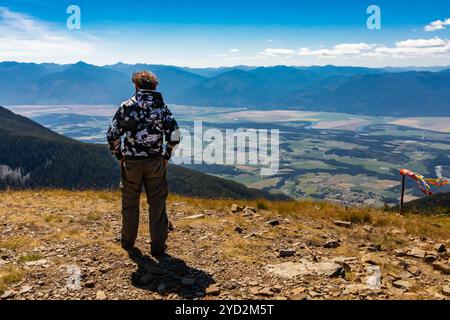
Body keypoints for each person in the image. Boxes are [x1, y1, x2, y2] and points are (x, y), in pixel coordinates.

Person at [107, 71, 180, 257]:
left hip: (131, 162)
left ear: (136, 86)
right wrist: (166, 155)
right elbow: (175, 134)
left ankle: (128, 242)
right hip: (155, 161)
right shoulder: (161, 108)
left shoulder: (126, 107)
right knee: (157, 204)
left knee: (130, 203)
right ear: (155, 86)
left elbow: (112, 135)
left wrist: (119, 155)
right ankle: (157, 246)